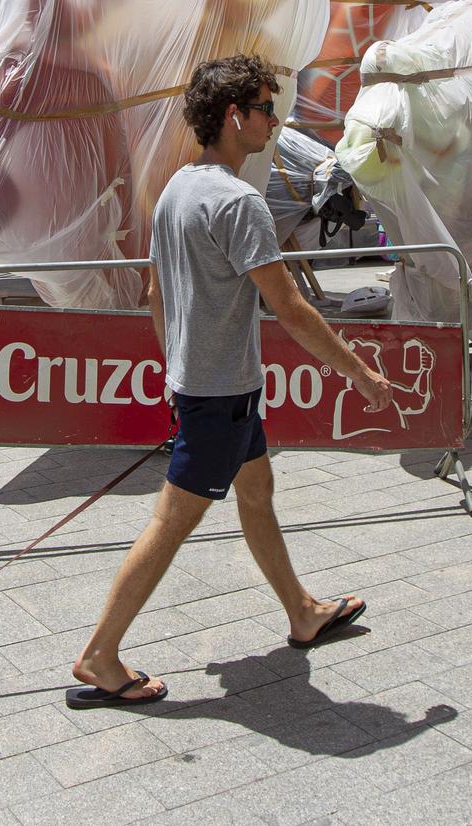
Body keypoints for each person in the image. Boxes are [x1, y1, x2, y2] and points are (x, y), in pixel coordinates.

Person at [67, 54, 395, 709]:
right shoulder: (239, 202)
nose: (277, 121)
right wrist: (359, 372)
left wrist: (175, 370)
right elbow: (291, 306)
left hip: (214, 389)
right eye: (268, 109)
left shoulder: (175, 190)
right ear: (234, 116)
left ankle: (301, 611)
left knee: (257, 491)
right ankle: (100, 654)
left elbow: (157, 292)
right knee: (170, 522)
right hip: (219, 396)